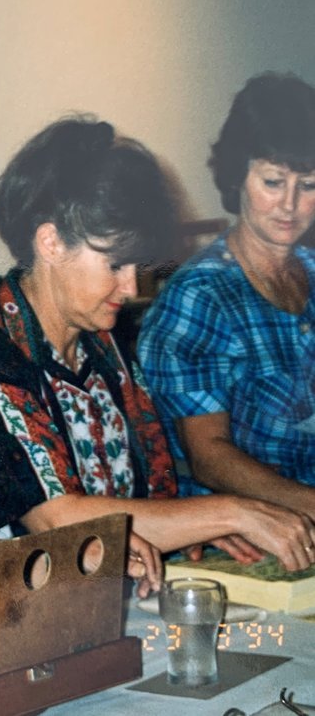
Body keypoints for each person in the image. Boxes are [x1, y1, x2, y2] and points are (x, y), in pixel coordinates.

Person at [0, 116, 315, 574]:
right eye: (115, 265)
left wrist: (192, 526)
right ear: (51, 242)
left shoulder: (103, 348)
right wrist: (233, 511)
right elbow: (61, 521)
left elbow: (146, 494)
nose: (129, 287)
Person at [138, 73, 315, 530]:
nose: (290, 205)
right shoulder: (200, 296)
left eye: (309, 185)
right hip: (238, 538)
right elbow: (208, 457)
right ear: (238, 175)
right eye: (273, 182)